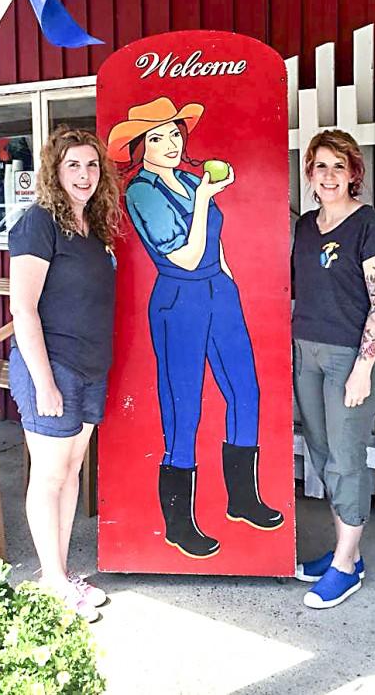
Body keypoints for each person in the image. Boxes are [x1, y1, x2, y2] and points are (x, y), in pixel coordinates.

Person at [107, 97, 283, 560]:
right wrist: (204, 201)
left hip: (217, 291)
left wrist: (227, 279)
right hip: (179, 299)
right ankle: (179, 524)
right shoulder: (140, 193)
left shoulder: (189, 178)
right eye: (157, 137)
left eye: (174, 134)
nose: (170, 144)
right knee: (184, 407)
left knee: (245, 391)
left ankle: (243, 499)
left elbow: (214, 243)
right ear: (139, 147)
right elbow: (184, 257)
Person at [8, 126, 121, 620]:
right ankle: (52, 581)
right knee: (49, 475)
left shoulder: (92, 228)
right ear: (55, 172)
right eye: (73, 165)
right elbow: (23, 309)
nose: (84, 174)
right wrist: (45, 382)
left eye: (92, 165)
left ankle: (60, 572)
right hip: (53, 367)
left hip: (91, 367)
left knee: (71, 471)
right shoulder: (39, 224)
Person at [292, 129, 375, 609]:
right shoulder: (304, 226)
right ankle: (346, 553)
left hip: (349, 359)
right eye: (321, 166)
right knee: (320, 453)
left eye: (339, 166)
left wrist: (363, 367)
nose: (329, 175)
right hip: (306, 353)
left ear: (354, 173)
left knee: (345, 459)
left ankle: (344, 568)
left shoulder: (371, 225)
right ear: (310, 173)